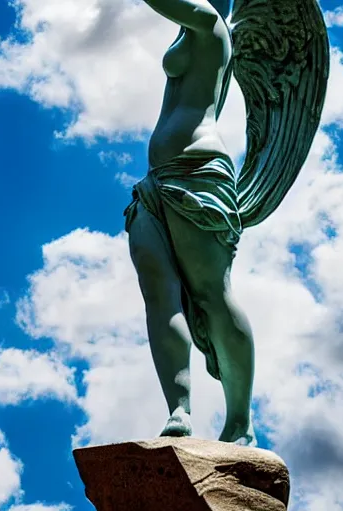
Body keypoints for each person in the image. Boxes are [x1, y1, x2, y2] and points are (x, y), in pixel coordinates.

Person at [124, 0, 257, 446]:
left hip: (198, 175)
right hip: (154, 182)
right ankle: (178, 409)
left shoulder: (212, 24)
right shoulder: (187, 31)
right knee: (159, 294)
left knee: (211, 295)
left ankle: (239, 419)